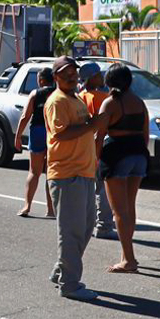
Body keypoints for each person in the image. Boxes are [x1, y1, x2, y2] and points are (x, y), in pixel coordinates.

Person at [44, 58, 109, 295]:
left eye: (73, 72)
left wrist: (95, 122)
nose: (71, 76)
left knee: (87, 226)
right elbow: (61, 134)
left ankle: (62, 271)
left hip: (84, 172)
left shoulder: (75, 98)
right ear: (55, 77)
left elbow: (84, 125)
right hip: (67, 174)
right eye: (65, 73)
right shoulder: (57, 101)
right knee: (71, 232)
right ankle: (70, 285)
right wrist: (92, 126)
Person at [96, 63, 150, 275]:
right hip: (139, 154)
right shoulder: (139, 102)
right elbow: (145, 134)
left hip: (117, 155)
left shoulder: (110, 103)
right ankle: (125, 254)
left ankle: (129, 259)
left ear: (109, 81)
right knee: (129, 206)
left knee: (119, 211)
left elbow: (99, 135)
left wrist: (95, 159)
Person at [14, 66, 56, 219]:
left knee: (34, 172)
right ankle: (50, 210)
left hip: (37, 131)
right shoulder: (58, 93)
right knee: (50, 173)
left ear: (41, 80)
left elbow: (25, 116)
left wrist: (18, 136)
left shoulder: (35, 94)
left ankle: (27, 206)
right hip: (53, 133)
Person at [80, 68, 115, 238]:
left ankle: (86, 221)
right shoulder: (100, 98)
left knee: (87, 186)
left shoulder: (79, 97)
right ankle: (103, 226)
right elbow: (100, 128)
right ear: (91, 78)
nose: (102, 77)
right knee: (102, 187)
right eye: (98, 75)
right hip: (98, 146)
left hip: (82, 147)